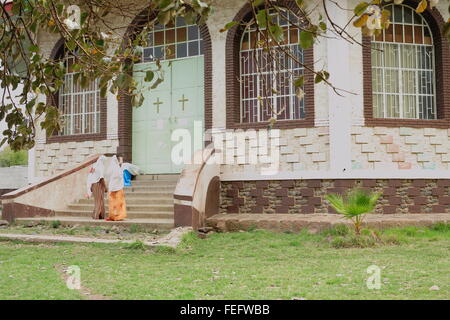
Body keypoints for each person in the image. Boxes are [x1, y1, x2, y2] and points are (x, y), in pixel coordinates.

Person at [106, 155, 127, 221]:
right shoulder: (117, 169)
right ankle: (119, 216)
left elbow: (108, 176)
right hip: (118, 188)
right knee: (119, 203)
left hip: (113, 188)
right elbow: (120, 176)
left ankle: (113, 216)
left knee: (113, 203)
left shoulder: (112, 169)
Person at [86, 155, 107, 220]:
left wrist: (90, 187)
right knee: (99, 201)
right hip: (98, 184)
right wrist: (105, 186)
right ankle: (96, 216)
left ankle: (101, 216)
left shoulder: (95, 166)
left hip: (93, 185)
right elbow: (101, 178)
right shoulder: (101, 166)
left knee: (99, 201)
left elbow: (91, 177)